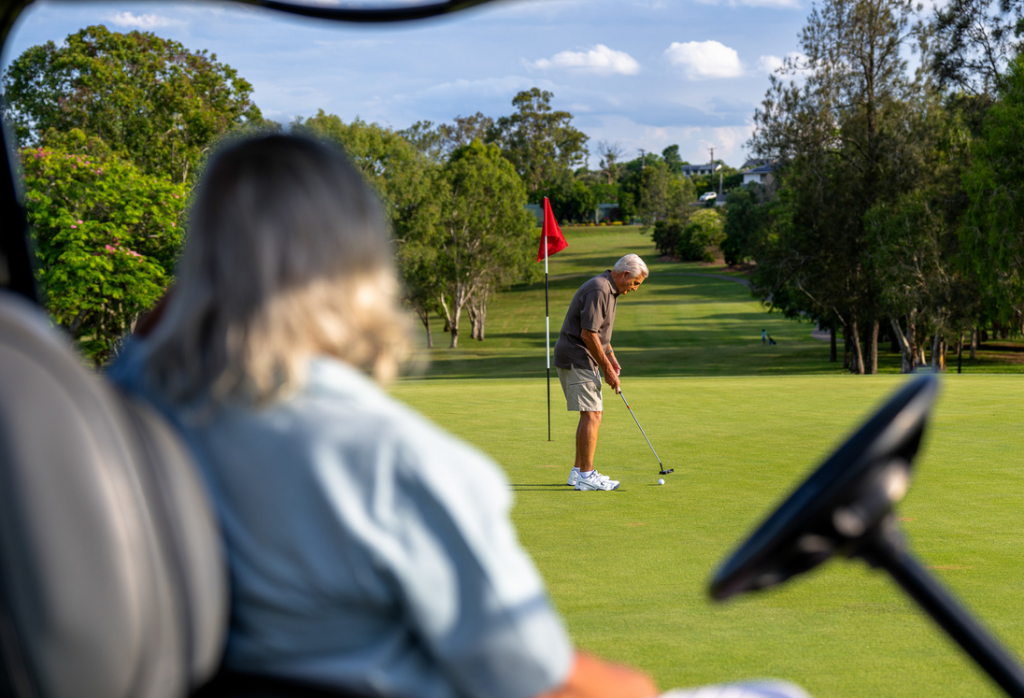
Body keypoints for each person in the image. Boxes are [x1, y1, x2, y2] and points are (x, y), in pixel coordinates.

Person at [109, 135, 808, 698]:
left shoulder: (115, 407)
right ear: (362, 270)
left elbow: (156, 330)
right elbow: (543, 681)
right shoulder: (399, 464)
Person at [554, 255, 647, 491]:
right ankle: (586, 475)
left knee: (590, 414)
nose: (634, 289)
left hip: (583, 356)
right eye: (635, 283)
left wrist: (612, 359)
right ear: (625, 274)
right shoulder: (599, 289)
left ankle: (578, 472)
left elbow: (601, 334)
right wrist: (607, 369)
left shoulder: (610, 290)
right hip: (578, 356)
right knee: (592, 414)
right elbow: (588, 334)